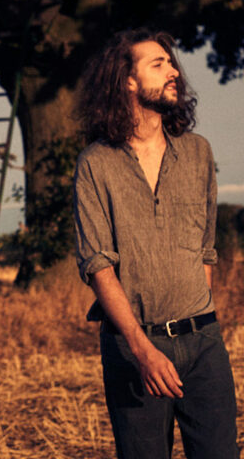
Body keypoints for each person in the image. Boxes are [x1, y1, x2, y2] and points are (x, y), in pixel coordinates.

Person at [73, 28, 237, 458]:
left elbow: (205, 248)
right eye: (158, 64)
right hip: (133, 348)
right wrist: (142, 349)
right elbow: (97, 265)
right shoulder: (95, 164)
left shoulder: (198, 152)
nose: (174, 72)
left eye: (172, 62)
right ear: (127, 81)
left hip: (204, 343)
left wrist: (194, 315)